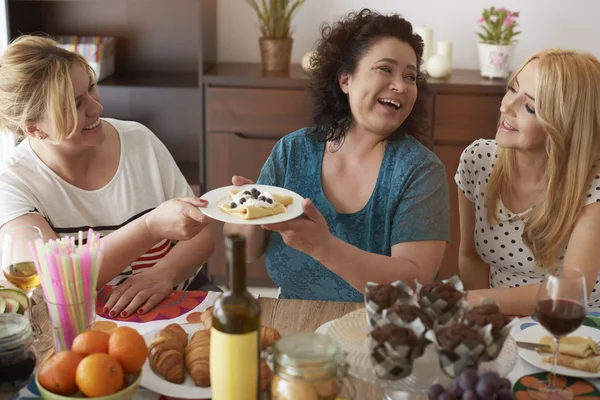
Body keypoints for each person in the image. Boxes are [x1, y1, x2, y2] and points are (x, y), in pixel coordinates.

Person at [225, 9, 450, 302]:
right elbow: (246, 252)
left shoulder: (420, 170)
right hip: (292, 327)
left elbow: (413, 283)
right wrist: (248, 212)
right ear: (346, 80)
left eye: (410, 76)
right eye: (386, 69)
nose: (401, 86)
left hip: (386, 336)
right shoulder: (293, 151)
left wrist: (325, 247)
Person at [0, 35, 216, 318]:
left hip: (178, 295)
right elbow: (55, 285)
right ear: (35, 129)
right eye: (76, 104)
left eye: (91, 89)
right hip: (86, 319)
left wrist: (164, 274)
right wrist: (150, 226)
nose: (97, 108)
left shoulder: (139, 140)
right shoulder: (13, 183)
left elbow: (202, 236)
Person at [456, 49, 600, 314]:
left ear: (563, 126)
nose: (505, 106)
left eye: (529, 106)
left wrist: (477, 301)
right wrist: (485, 321)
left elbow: (570, 292)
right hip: (497, 319)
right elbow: (470, 256)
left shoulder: (593, 187)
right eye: (512, 89)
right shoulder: (477, 160)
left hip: (574, 330)